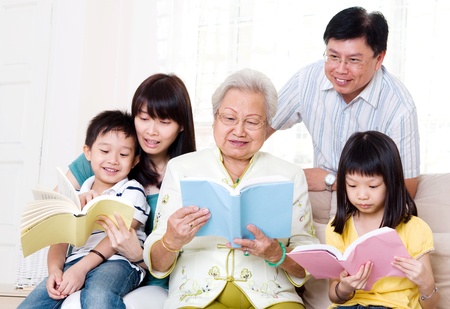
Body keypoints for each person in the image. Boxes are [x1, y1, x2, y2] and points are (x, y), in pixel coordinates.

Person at [143, 68, 319, 309]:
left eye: (252, 122)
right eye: (229, 118)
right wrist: (171, 241)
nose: (239, 131)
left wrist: (276, 254)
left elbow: (308, 259)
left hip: (272, 297)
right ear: (215, 118)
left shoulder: (289, 175)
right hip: (196, 296)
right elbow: (157, 263)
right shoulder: (182, 169)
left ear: (266, 125)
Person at [60, 73, 197, 308]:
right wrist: (76, 200)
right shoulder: (106, 154)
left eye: (164, 123)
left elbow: (187, 255)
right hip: (86, 267)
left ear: (181, 125)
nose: (151, 131)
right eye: (143, 118)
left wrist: (139, 256)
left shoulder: (189, 175)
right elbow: (52, 207)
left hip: (152, 282)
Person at [266, 6, 420, 198]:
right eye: (333, 56)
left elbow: (407, 188)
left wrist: (332, 180)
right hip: (318, 195)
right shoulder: (307, 79)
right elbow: (260, 126)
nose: (340, 69)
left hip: (368, 201)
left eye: (354, 60)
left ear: (379, 58)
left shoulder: (399, 107)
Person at [19, 110, 150, 309]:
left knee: (99, 294)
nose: (113, 160)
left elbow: (116, 239)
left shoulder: (132, 190)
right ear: (87, 152)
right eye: (104, 151)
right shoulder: (78, 194)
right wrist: (55, 270)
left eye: (123, 154)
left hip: (119, 263)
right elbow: (59, 239)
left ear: (134, 160)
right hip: (75, 261)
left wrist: (81, 269)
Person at [326, 131, 439, 309]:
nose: (362, 195)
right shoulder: (336, 227)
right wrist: (344, 288)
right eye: (352, 185)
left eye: (373, 186)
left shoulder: (415, 228)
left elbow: (431, 305)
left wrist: (426, 284)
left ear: (391, 182)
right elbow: (334, 295)